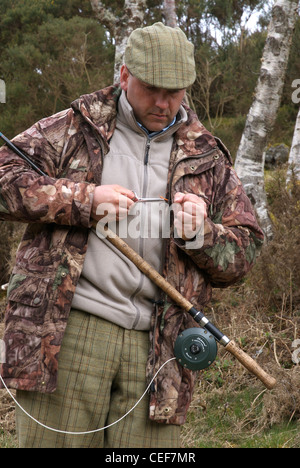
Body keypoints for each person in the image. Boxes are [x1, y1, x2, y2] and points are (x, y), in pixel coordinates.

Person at [0, 22, 264, 448]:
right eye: (152, 88)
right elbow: (4, 177)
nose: (163, 102)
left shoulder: (208, 156)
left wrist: (203, 235)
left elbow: (245, 251)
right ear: (124, 75)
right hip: (68, 335)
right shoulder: (75, 127)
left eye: (175, 91)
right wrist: (82, 200)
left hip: (162, 352)